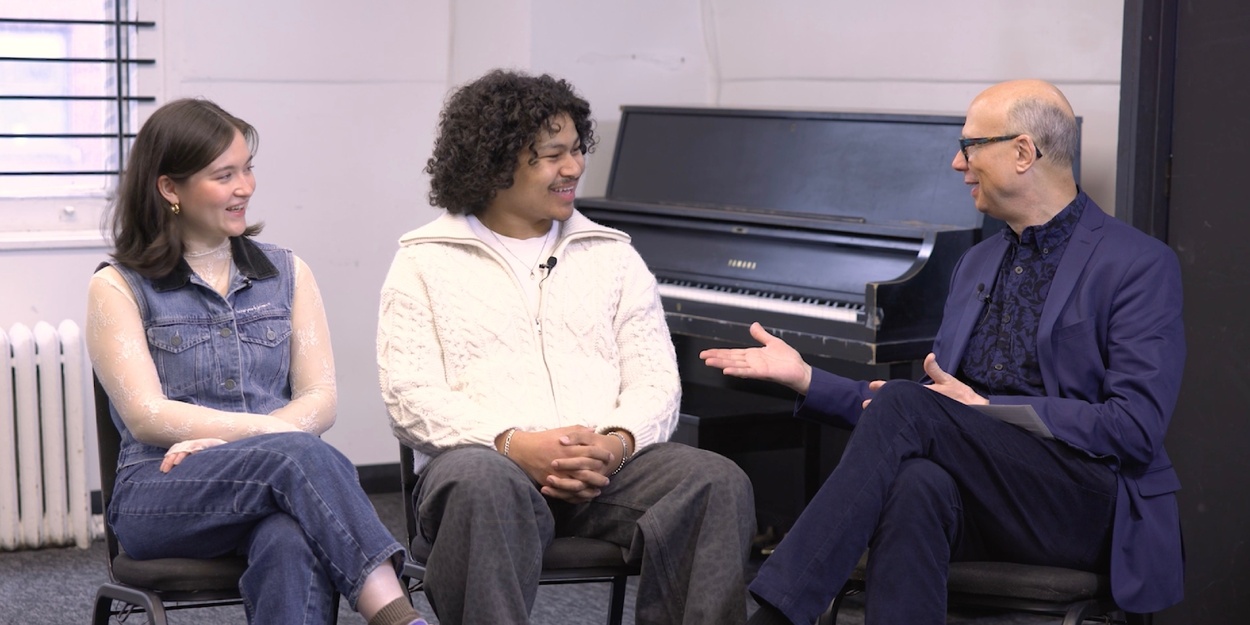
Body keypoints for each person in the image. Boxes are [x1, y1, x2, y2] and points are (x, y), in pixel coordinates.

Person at [701, 79, 1186, 625]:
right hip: (985, 497)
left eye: (971, 145)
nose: (958, 163)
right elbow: (923, 412)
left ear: (1023, 152)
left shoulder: (1138, 264)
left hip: (1083, 505)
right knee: (916, 484)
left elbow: (1135, 427)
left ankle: (774, 616)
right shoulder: (976, 263)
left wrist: (992, 411)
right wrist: (807, 379)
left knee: (912, 417)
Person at [377, 69, 756, 625]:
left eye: (577, 149)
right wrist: (513, 444)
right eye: (553, 155)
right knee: (480, 482)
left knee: (715, 481)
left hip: (609, 472)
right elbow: (408, 397)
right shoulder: (423, 260)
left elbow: (656, 380)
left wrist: (617, 443)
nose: (574, 167)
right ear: (495, 163)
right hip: (487, 468)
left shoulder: (613, 255)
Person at [86, 98, 426, 625]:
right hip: (162, 490)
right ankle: (397, 614)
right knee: (297, 456)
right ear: (170, 188)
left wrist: (233, 442)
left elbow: (321, 401)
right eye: (224, 175)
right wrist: (263, 438)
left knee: (289, 537)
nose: (245, 186)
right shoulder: (116, 287)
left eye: (247, 169)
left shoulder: (289, 273)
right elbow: (147, 416)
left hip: (277, 482)